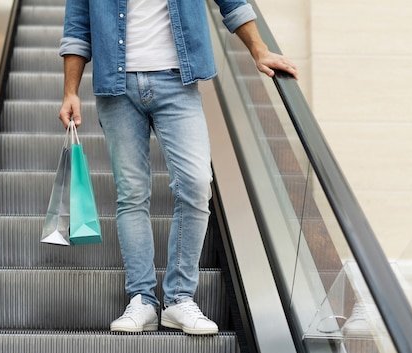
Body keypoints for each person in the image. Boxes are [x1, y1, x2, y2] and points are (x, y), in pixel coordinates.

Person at [58, 0, 298, 335]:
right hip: (116, 88)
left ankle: (178, 299)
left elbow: (232, 2)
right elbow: (77, 25)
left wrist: (259, 50)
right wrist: (70, 91)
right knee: (132, 194)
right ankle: (141, 298)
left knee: (197, 184)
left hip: (178, 82)